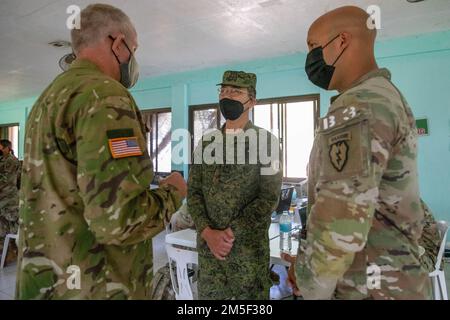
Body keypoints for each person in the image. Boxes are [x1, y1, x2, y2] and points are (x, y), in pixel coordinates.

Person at [16, 4, 186, 300]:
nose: (134, 60)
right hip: (96, 284)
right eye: (134, 49)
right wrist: (172, 193)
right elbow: (119, 221)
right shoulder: (107, 96)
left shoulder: (49, 97)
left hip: (45, 281)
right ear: (119, 44)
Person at [286, 6, 432, 300]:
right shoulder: (382, 95)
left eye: (313, 46)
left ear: (341, 42)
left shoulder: (360, 103)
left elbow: (340, 218)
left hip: (368, 286)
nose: (310, 57)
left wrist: (309, 282)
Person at [188, 71, 283, 300]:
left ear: (252, 101)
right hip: (211, 257)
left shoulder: (266, 142)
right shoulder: (207, 142)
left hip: (247, 256)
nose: (226, 96)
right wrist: (208, 233)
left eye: (236, 91)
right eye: (223, 90)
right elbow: (193, 192)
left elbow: (268, 198)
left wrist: (229, 235)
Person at [0, 139, 20, 265]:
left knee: (11, 226)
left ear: (7, 148)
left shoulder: (12, 161)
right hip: (3, 199)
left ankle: (10, 253)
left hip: (9, 200)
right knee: (2, 227)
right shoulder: (3, 160)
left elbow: (6, 180)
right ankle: (6, 254)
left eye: (1, 147)